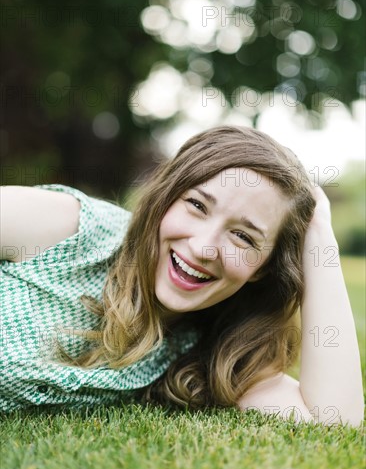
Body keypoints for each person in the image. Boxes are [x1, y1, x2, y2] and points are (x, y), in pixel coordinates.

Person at [0, 126, 363, 426]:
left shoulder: (206, 352)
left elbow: (335, 420)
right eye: (197, 205)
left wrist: (319, 236)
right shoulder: (74, 229)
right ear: (165, 198)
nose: (204, 247)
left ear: (263, 268)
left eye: (243, 236)